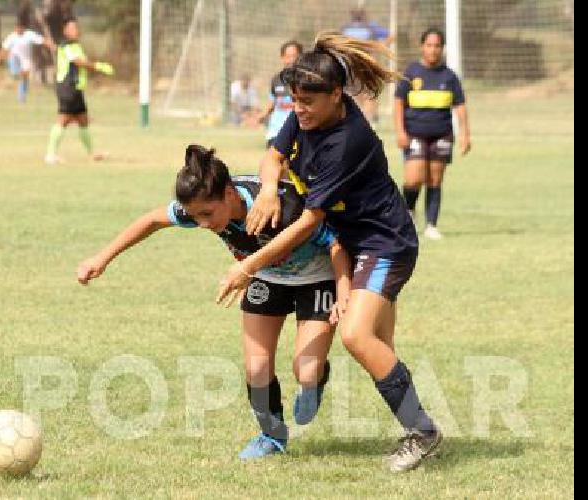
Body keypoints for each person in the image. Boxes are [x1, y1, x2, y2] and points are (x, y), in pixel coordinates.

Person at [216, 31, 443, 473]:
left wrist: (248, 266)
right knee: (380, 346)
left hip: (383, 244)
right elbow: (274, 154)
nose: (297, 109)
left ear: (336, 95)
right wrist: (266, 190)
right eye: (293, 100)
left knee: (358, 337)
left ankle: (424, 432)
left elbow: (308, 223)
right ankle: (417, 426)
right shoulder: (307, 114)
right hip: (355, 246)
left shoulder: (346, 141)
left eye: (306, 101)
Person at [77, 144, 351, 460]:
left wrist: (343, 288)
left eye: (207, 214)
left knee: (306, 370)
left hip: (315, 277)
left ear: (231, 194)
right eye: (196, 217)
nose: (203, 223)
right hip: (264, 277)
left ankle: (315, 381)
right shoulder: (200, 206)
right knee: (256, 368)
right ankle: (272, 436)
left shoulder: (281, 208)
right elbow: (152, 220)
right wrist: (102, 259)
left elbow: (335, 243)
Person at [394, 28, 471, 240]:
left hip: (442, 134)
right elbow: (398, 103)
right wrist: (400, 131)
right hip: (414, 133)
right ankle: (408, 212)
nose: (433, 49)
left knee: (435, 180)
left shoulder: (449, 76)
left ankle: (431, 225)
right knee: (413, 179)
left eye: (437, 46)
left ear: (442, 48)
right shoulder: (411, 73)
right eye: (429, 45)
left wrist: (465, 134)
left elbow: (460, 105)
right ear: (422, 46)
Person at [45, 20, 114, 165]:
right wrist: (98, 66)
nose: (76, 30)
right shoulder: (67, 45)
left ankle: (91, 153)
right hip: (67, 87)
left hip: (76, 88)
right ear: (65, 31)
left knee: (83, 120)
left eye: (76, 27)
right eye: (71, 28)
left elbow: (81, 62)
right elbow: (78, 62)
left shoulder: (75, 46)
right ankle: (50, 155)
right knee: (63, 119)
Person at [339, 8, 391, 124]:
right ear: (364, 16)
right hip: (366, 65)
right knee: (369, 93)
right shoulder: (370, 28)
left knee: (357, 93)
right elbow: (390, 35)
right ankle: (369, 119)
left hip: (350, 66)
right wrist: (379, 47)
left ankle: (361, 118)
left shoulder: (345, 29)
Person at [259, 41, 303, 148]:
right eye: (288, 56)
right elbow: (272, 103)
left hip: (298, 133)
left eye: (295, 56)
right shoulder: (276, 79)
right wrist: (260, 117)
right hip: (276, 132)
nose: (291, 60)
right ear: (282, 58)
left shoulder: (305, 80)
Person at [0, 19, 48, 103]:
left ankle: (21, 98)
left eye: (20, 28)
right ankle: (17, 74)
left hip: (25, 59)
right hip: (14, 57)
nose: (17, 30)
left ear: (23, 28)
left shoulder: (29, 34)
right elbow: (4, 49)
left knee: (24, 79)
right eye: (16, 28)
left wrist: (52, 46)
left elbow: (42, 40)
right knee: (15, 74)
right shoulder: (12, 36)